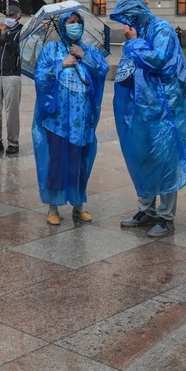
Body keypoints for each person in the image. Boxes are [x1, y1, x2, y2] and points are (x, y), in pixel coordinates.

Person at [110, 0, 186, 238]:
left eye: (129, 15)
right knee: (143, 158)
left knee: (165, 161)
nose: (127, 22)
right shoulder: (139, 32)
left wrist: (133, 43)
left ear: (139, 11)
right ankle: (146, 210)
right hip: (143, 108)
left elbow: (159, 61)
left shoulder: (162, 29)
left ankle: (166, 217)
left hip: (165, 108)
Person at [32, 11, 108, 225]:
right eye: (71, 22)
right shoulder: (51, 49)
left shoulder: (89, 49)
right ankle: (53, 206)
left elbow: (102, 71)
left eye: (79, 22)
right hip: (57, 120)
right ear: (63, 26)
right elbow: (40, 77)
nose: (76, 26)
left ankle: (78, 205)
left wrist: (84, 56)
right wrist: (60, 65)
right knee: (57, 161)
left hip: (81, 121)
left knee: (78, 162)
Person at [0, 3, 23, 156]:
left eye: (12, 15)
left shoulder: (21, 31)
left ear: (18, 16)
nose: (9, 18)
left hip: (12, 74)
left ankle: (13, 142)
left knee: (12, 111)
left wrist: (5, 35)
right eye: (7, 14)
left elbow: (18, 49)